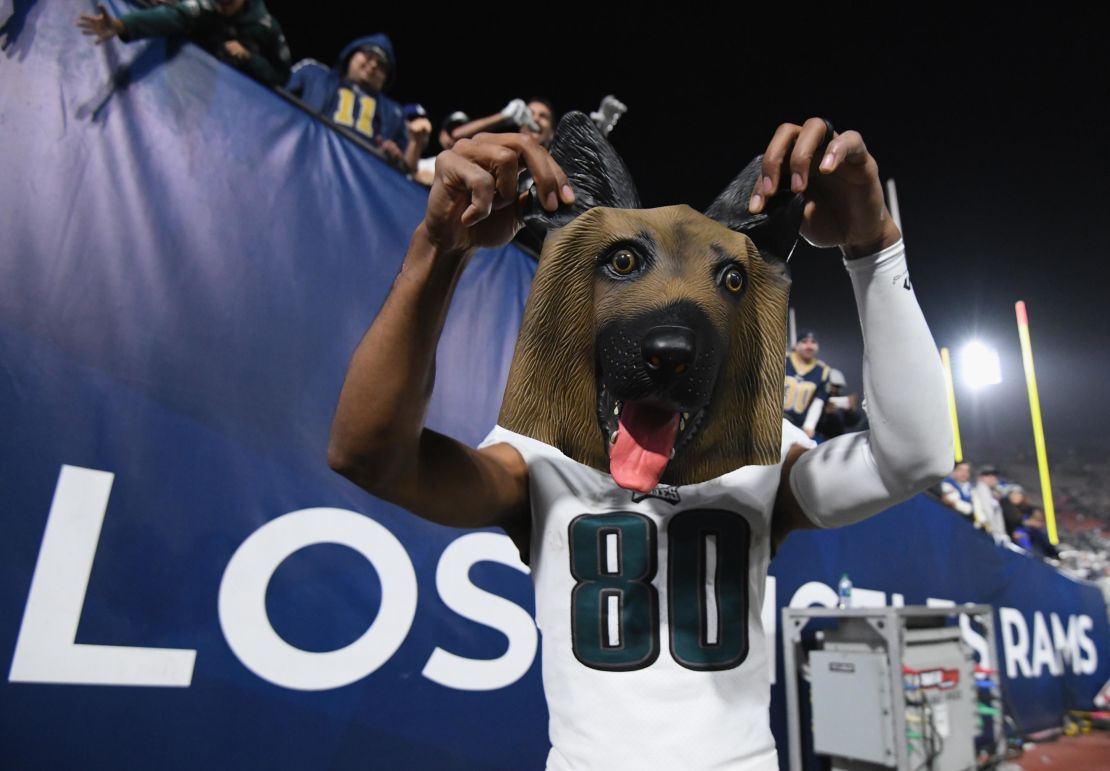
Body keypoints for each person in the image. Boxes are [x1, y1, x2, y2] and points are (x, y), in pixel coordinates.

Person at [327, 117, 952, 770]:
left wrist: (876, 249)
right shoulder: (545, 452)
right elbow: (367, 454)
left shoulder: (758, 452)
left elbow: (915, 458)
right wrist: (439, 245)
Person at [285, 33, 428, 173]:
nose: (373, 65)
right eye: (368, 55)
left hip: (357, 179)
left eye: (382, 65)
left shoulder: (394, 113)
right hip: (305, 158)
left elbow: (407, 169)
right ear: (351, 54)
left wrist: (411, 145)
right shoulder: (314, 75)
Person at [76, 0, 291, 87]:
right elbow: (174, 17)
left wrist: (248, 57)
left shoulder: (267, 27)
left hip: (232, 106)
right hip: (188, 87)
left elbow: (282, 76)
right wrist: (121, 26)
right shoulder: (205, 7)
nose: (222, 4)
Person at [449, 97, 557, 148]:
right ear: (520, 127)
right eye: (530, 114)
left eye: (543, 116)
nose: (535, 119)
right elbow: (456, 136)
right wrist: (503, 116)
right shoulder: (503, 154)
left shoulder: (560, 169)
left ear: (551, 133)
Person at [783, 330, 831, 437]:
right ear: (796, 345)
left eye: (813, 342)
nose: (809, 346)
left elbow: (818, 401)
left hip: (796, 425)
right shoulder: (782, 359)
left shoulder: (822, 370)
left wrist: (809, 425)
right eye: (805, 342)